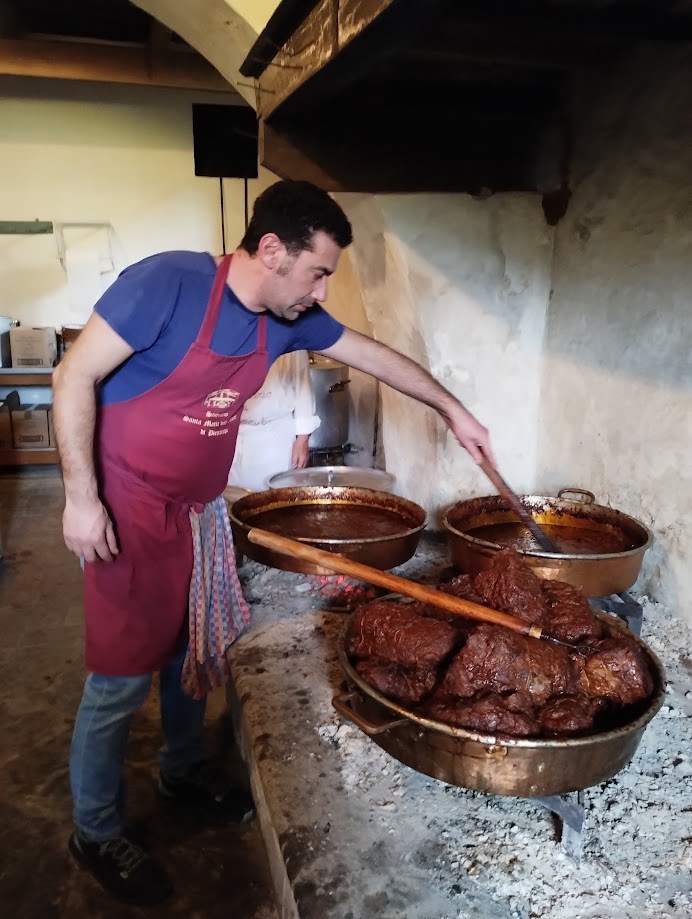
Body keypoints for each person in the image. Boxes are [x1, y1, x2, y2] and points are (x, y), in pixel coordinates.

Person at [53, 179, 494, 906]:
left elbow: (376, 355)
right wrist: (80, 498)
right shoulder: (168, 282)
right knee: (120, 679)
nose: (323, 291)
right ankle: (93, 829)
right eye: (319, 271)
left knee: (193, 649)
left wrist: (455, 410)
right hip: (125, 509)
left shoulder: (288, 319)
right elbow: (74, 375)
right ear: (270, 250)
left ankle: (182, 767)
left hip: (196, 511)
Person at [227, 349, 319, 491]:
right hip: (235, 433)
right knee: (233, 498)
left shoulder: (290, 337)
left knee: (273, 497)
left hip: (275, 438)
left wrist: (302, 440)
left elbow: (303, 390)